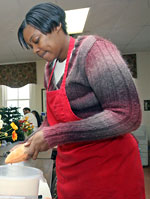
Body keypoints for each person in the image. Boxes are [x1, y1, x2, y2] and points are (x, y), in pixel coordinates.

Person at [17, 3, 144, 198]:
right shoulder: (49, 70)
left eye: (36, 40)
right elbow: (52, 120)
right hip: (73, 171)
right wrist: (34, 139)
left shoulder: (93, 50)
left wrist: (55, 135)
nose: (35, 50)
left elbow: (127, 115)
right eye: (31, 46)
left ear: (57, 25)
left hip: (109, 169)